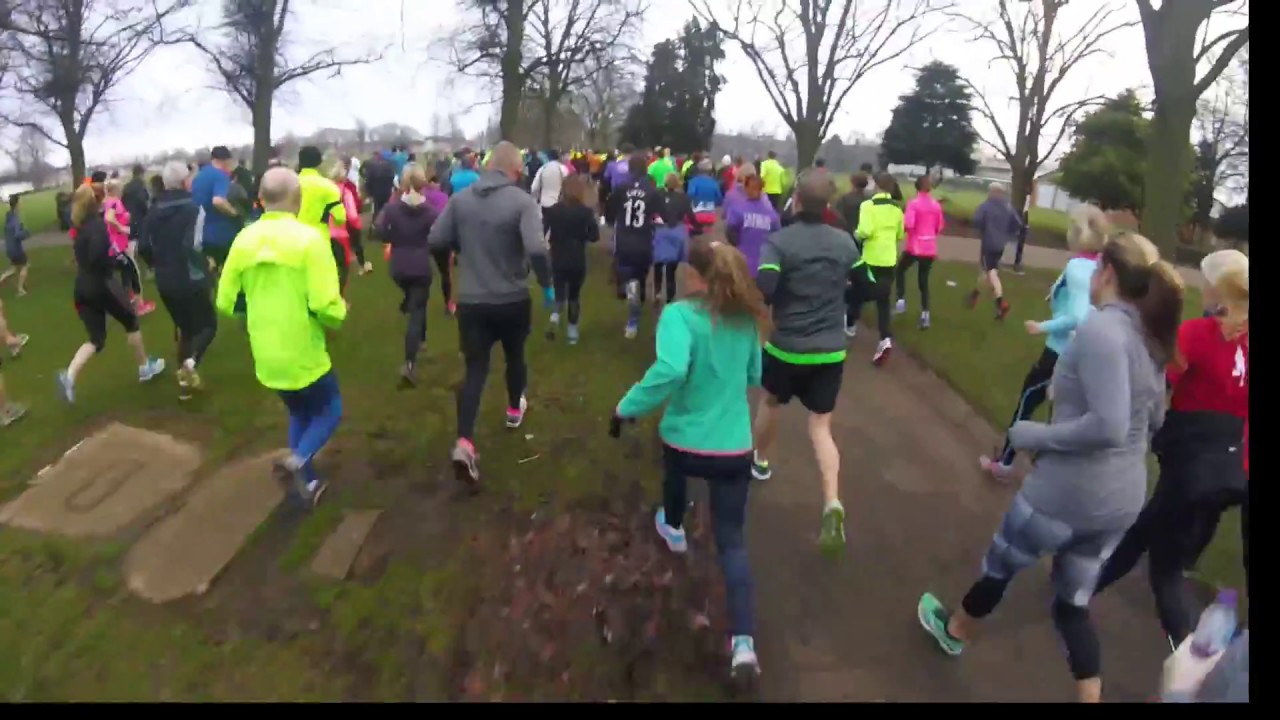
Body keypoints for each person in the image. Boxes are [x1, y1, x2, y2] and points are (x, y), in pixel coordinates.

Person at [916, 232, 1183, 703]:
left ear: (1109, 273)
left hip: (1069, 492)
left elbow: (1109, 425)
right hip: (1120, 500)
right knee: (1071, 605)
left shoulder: (1104, 329)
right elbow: (1155, 419)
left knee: (1002, 565)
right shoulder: (1150, 337)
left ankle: (954, 629)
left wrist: (1031, 435)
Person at [611, 237, 771, 686]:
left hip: (684, 441)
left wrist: (625, 407)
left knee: (674, 479)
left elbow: (669, 370)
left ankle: (674, 526)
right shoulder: (744, 321)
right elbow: (757, 376)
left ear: (694, 275)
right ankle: (744, 646)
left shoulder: (679, 316)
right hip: (733, 448)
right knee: (732, 542)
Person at [1090, 248, 1249, 644]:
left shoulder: (1197, 332)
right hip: (1230, 467)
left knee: (1165, 571)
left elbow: (1158, 389)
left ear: (1219, 292)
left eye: (1208, 283)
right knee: (1147, 529)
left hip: (1190, 466)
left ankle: (1192, 664)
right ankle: (1083, 588)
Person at [216, 167, 347, 509]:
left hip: (266, 352)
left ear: (260, 199)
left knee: (300, 414)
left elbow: (225, 301)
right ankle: (299, 461)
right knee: (330, 409)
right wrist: (341, 311)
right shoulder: (310, 241)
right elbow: (325, 305)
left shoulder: (243, 240)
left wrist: (255, 311)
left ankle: (306, 481)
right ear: (298, 200)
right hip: (304, 349)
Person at [427, 142, 554, 487]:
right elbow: (536, 250)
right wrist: (546, 286)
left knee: (476, 368)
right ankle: (515, 410)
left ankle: (465, 441)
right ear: (514, 171)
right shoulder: (522, 202)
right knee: (515, 356)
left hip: (472, 300)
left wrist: (451, 268)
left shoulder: (460, 199)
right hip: (512, 298)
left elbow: (436, 239)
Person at [751, 169, 860, 554]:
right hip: (830, 351)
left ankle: (760, 460)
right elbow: (863, 286)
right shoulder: (846, 243)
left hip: (786, 348)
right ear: (828, 204)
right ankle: (832, 502)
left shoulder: (779, 242)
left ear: (795, 200)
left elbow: (764, 287)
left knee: (770, 402)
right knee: (821, 427)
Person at [980, 205, 1109, 481]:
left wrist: (1042, 326)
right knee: (1063, 414)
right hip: (1084, 353)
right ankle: (1051, 470)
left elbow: (1077, 316)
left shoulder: (1079, 267)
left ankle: (1005, 463)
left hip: (1061, 350)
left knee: (1029, 400)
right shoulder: (1100, 266)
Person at [56, 186, 166, 403]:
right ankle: (145, 367)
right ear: (95, 202)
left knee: (96, 339)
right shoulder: (97, 227)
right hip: (101, 284)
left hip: (82, 287)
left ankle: (69, 376)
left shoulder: (78, 227)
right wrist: (115, 262)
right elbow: (100, 256)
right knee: (131, 321)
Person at [138, 161, 219, 402]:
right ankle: (191, 364)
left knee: (185, 329)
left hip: (165, 280)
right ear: (185, 182)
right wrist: (206, 265)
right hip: (190, 277)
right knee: (208, 326)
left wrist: (156, 264)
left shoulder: (153, 210)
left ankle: (185, 386)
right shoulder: (194, 208)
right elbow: (192, 244)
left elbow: (143, 246)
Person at [376, 165, 441, 387]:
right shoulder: (431, 212)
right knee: (417, 311)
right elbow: (438, 238)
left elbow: (381, 231)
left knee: (415, 301)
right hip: (421, 267)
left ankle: (420, 338)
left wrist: (395, 238)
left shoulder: (392, 209)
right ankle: (410, 363)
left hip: (399, 268)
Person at [606, 154, 665, 339]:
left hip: (624, 240)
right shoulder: (653, 192)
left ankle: (632, 316)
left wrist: (613, 220)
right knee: (640, 277)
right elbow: (662, 216)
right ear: (646, 169)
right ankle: (634, 314)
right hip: (643, 242)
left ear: (630, 170)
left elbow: (609, 212)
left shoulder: (621, 189)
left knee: (628, 275)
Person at [848, 173, 905, 365]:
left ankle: (849, 326)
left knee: (856, 293)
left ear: (878, 186)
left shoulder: (868, 206)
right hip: (889, 260)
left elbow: (865, 231)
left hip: (870, 258)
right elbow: (899, 234)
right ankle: (885, 339)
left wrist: (854, 236)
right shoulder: (897, 208)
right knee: (883, 301)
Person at [543, 173, 599, 345]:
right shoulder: (585, 212)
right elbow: (594, 236)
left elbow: (543, 231)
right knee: (574, 296)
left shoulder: (553, 211)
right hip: (577, 258)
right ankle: (572, 333)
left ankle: (554, 316)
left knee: (560, 292)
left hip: (558, 256)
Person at [895, 176, 946, 329]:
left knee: (900, 271)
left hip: (915, 246)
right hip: (929, 246)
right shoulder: (936, 205)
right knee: (923, 281)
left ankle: (900, 301)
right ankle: (925, 314)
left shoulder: (913, 204)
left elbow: (909, 224)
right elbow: (939, 226)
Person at [296, 146, 348, 291]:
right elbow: (340, 218)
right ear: (319, 163)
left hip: (291, 236)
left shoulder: (290, 183)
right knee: (325, 276)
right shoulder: (327, 186)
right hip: (318, 238)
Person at [968, 182, 1023, 319]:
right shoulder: (1008, 207)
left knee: (991, 272)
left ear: (993, 192)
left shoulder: (986, 206)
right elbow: (1018, 224)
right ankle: (975, 294)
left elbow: (976, 220)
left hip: (988, 244)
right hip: (1000, 245)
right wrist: (1008, 235)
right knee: (986, 270)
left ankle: (1000, 302)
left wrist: (981, 229)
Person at [103, 179, 154, 316]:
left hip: (117, 245)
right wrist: (121, 228)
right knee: (133, 274)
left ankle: (128, 304)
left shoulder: (107, 202)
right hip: (117, 246)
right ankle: (137, 306)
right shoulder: (114, 202)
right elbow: (109, 218)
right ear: (116, 190)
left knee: (127, 275)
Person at [190, 146, 244, 274]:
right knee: (229, 272)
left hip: (201, 232)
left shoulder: (198, 176)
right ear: (226, 160)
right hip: (221, 233)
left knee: (209, 272)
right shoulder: (220, 176)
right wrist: (234, 213)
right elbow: (218, 201)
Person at [724, 174, 780, 278]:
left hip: (742, 265)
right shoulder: (772, 214)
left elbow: (730, 233)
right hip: (764, 266)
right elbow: (777, 238)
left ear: (745, 188)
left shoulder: (737, 209)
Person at [653, 172, 694, 306]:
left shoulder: (657, 195)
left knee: (658, 264)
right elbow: (691, 216)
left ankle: (657, 293)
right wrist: (699, 226)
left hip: (660, 231)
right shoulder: (684, 198)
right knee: (671, 268)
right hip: (676, 232)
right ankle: (670, 298)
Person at [326, 163, 359, 296]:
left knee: (327, 267)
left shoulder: (324, 191)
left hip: (323, 234)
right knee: (342, 268)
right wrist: (356, 226)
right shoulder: (345, 192)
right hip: (340, 234)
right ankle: (338, 298)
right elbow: (352, 215)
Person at [531, 149, 569, 225]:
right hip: (559, 204)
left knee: (545, 227)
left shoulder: (542, 168)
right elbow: (568, 187)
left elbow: (534, 187)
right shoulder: (563, 169)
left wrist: (535, 200)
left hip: (545, 203)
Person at [2, 194, 31, 296]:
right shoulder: (15, 218)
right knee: (25, 265)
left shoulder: (8, 217)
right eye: (20, 202)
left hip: (9, 248)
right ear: (17, 204)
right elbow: (17, 235)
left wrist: (21, 229)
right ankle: (20, 290)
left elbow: (9, 231)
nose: (21, 204)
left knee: (13, 269)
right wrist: (26, 233)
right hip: (16, 249)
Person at [686, 159, 722, 234]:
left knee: (694, 237)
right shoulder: (714, 183)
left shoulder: (693, 182)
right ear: (709, 171)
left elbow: (689, 196)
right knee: (708, 236)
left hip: (696, 215)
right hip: (710, 215)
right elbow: (719, 199)